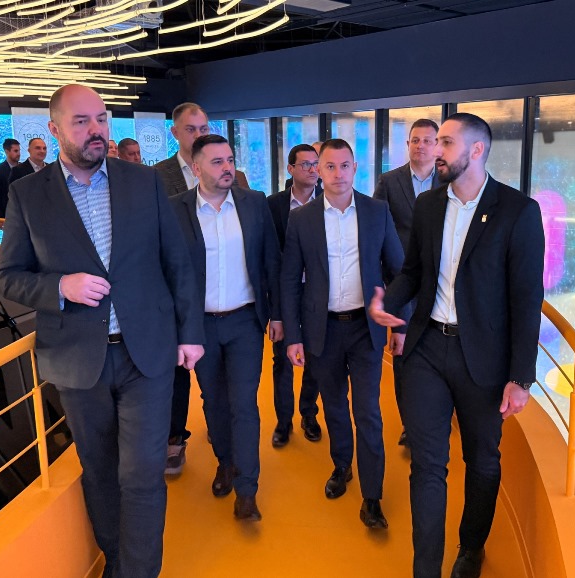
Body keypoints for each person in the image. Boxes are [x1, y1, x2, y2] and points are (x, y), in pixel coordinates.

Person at [0, 83, 205, 578]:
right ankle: (116, 561)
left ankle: (139, 572)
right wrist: (59, 286)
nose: (96, 130)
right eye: (81, 121)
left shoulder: (143, 182)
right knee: (100, 471)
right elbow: (9, 277)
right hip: (77, 359)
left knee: (143, 474)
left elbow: (177, 261)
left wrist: (190, 333)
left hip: (146, 354)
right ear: (54, 129)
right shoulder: (28, 194)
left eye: (101, 118)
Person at [369, 113, 545, 578]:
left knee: (482, 461)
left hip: (483, 361)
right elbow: (413, 271)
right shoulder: (429, 205)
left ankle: (470, 548)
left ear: (477, 150)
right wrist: (389, 301)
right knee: (428, 465)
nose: (435, 150)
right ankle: (425, 569)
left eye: (446, 142)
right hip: (427, 349)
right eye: (434, 142)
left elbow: (527, 299)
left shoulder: (517, 211)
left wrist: (521, 377)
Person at [281, 138, 405, 529]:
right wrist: (294, 336)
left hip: (366, 331)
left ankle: (372, 496)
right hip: (323, 330)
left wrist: (399, 322)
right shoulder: (302, 219)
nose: (338, 174)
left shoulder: (376, 211)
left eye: (345, 166)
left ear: (355, 168)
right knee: (334, 406)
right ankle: (341, 466)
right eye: (329, 167)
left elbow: (399, 271)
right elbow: (289, 280)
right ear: (318, 171)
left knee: (368, 412)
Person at [169, 134, 282, 521]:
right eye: (217, 162)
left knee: (244, 404)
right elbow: (168, 271)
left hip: (245, 321)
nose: (227, 167)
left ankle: (248, 489)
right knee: (214, 401)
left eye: (230, 160)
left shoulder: (254, 203)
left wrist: (278, 315)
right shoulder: (177, 209)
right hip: (199, 326)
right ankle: (226, 463)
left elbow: (271, 261)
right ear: (196, 168)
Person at [155, 102, 249, 475]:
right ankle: (175, 438)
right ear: (175, 133)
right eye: (191, 129)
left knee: (225, 384)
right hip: (178, 299)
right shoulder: (157, 177)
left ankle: (222, 434)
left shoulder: (236, 177)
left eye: (204, 127)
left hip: (227, 300)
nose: (198, 134)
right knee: (178, 374)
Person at [374, 118, 442, 446]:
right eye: (415, 140)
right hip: (401, 280)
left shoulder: (450, 181)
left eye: (427, 140)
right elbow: (377, 232)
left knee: (437, 357)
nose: (420, 146)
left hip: (440, 285)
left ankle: (432, 422)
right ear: (408, 144)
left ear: (437, 145)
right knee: (403, 357)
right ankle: (408, 426)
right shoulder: (389, 182)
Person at [266, 144, 322, 448]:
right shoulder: (273, 205)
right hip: (284, 292)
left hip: (316, 293)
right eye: (305, 165)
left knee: (315, 356)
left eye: (316, 164)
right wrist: (275, 311)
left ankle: (309, 413)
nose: (312, 170)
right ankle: (283, 420)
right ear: (290, 169)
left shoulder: (327, 202)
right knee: (282, 359)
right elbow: (270, 260)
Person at [0, 138, 21, 220]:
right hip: (8, 214)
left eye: (19, 150)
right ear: (7, 151)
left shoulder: (24, 168)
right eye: (15, 151)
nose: (19, 154)